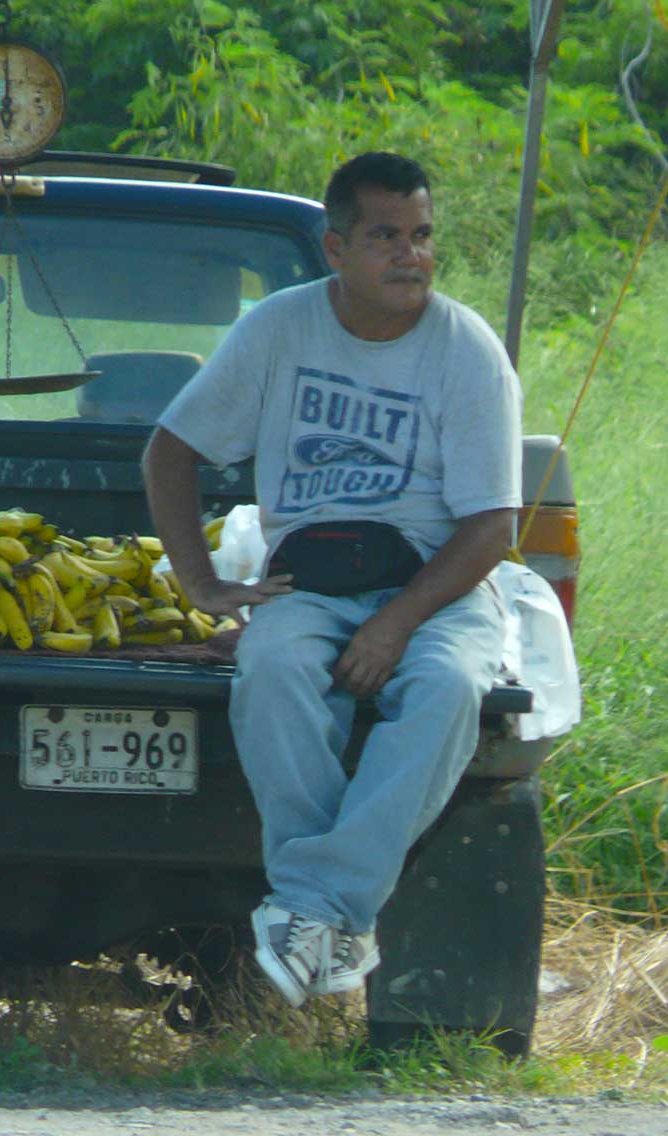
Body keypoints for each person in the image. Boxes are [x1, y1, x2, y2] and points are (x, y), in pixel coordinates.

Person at [141, 151, 521, 1007]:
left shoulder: (468, 351)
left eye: (422, 236)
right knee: (269, 668)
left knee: (448, 689)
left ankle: (315, 910)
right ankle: (330, 919)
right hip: (307, 580)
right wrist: (202, 587)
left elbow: (492, 528)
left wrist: (395, 625)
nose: (410, 255)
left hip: (438, 583)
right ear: (335, 247)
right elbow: (172, 450)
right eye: (385, 236)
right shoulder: (279, 330)